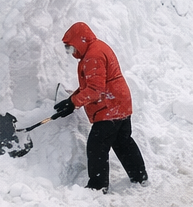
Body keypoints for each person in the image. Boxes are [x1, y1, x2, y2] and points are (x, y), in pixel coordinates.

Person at [52, 22, 148, 193]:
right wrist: (72, 99)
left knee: (96, 146)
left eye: (70, 47)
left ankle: (97, 187)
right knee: (123, 141)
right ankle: (139, 176)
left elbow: (95, 90)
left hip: (110, 107)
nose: (70, 52)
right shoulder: (96, 47)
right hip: (120, 103)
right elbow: (93, 84)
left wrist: (73, 103)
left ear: (79, 41)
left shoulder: (92, 56)